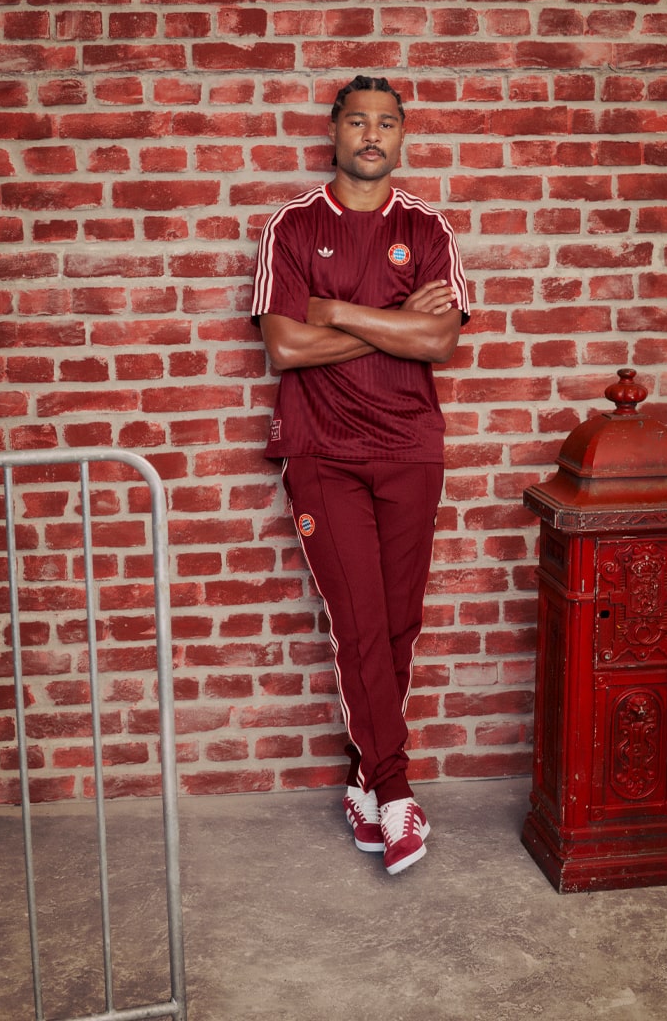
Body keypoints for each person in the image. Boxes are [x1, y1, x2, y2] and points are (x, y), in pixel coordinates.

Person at [251, 74, 470, 875]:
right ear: (335, 132)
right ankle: (398, 791)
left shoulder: (428, 228)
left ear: (401, 136)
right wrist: (397, 324)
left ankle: (362, 784)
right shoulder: (293, 225)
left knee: (398, 624)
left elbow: (439, 343)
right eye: (357, 121)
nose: (371, 135)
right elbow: (285, 347)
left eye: (386, 123)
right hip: (323, 452)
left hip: (410, 447)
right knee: (359, 623)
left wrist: (338, 312)